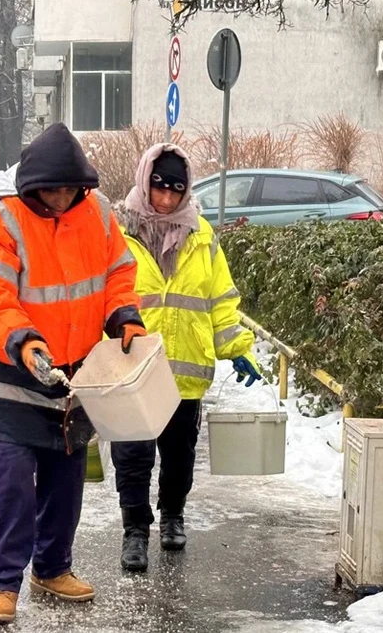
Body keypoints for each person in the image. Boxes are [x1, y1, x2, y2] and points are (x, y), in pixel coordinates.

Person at [0, 123, 146, 624]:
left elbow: (118, 272)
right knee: (10, 481)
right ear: (31, 184)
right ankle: (1, 583)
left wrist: (123, 316)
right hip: (3, 369)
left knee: (66, 476)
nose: (62, 200)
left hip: (70, 370)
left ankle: (53, 567)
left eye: (70, 190)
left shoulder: (96, 211)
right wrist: (23, 340)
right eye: (52, 191)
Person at [110, 143, 262, 572]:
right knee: (133, 458)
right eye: (159, 188)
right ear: (145, 182)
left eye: (176, 190)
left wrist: (237, 347)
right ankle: (135, 531)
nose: (166, 198)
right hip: (133, 369)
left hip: (185, 370)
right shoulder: (119, 234)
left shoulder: (202, 236)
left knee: (178, 456)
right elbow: (102, 296)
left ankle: (173, 515)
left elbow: (220, 300)